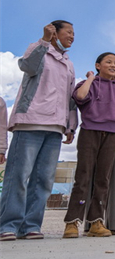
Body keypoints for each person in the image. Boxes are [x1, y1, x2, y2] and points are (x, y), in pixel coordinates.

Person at [0, 21, 77, 241]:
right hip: (30, 121)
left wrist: (71, 125)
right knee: (18, 176)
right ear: (54, 33)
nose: (72, 36)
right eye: (68, 32)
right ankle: (8, 225)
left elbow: (71, 96)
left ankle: (31, 225)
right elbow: (28, 66)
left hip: (55, 126)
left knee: (43, 179)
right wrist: (43, 41)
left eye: (74, 33)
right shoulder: (38, 48)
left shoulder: (69, 64)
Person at [63, 52, 115, 238]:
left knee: (103, 179)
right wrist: (91, 78)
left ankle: (96, 221)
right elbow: (80, 96)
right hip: (90, 132)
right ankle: (72, 222)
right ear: (98, 65)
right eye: (109, 62)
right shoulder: (89, 83)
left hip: (112, 134)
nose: (114, 65)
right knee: (83, 176)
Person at [82, 62, 115, 236]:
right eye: (113, 67)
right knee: (91, 180)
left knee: (112, 183)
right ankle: (90, 223)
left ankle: (113, 222)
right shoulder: (94, 86)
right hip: (94, 136)